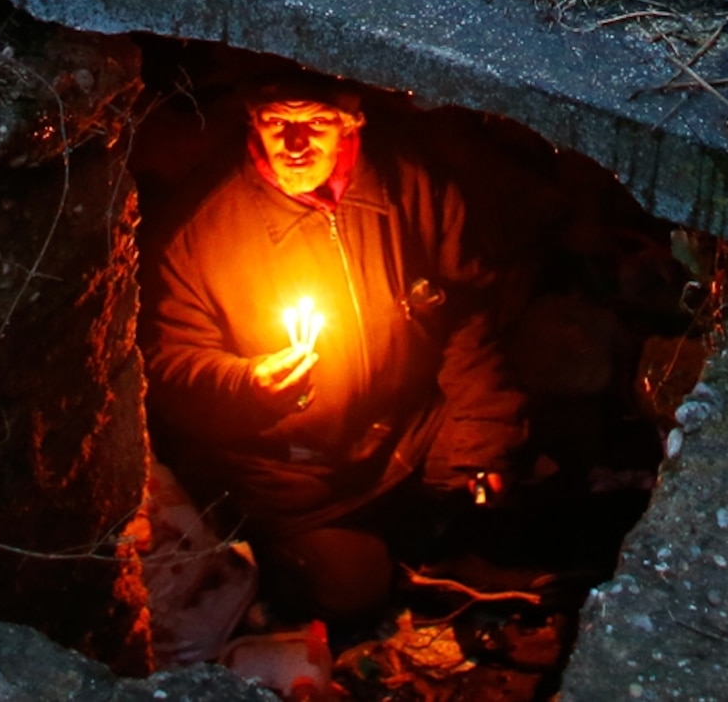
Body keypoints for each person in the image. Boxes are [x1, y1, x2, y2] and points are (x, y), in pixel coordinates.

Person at [143, 80, 528, 626]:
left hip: (406, 432)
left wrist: (480, 437)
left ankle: (426, 528)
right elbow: (170, 366)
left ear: (352, 122)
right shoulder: (201, 227)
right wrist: (248, 387)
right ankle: (320, 566)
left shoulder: (411, 184)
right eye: (279, 122)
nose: (296, 142)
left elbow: (469, 314)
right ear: (253, 120)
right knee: (355, 588)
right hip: (295, 476)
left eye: (317, 123)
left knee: (495, 502)